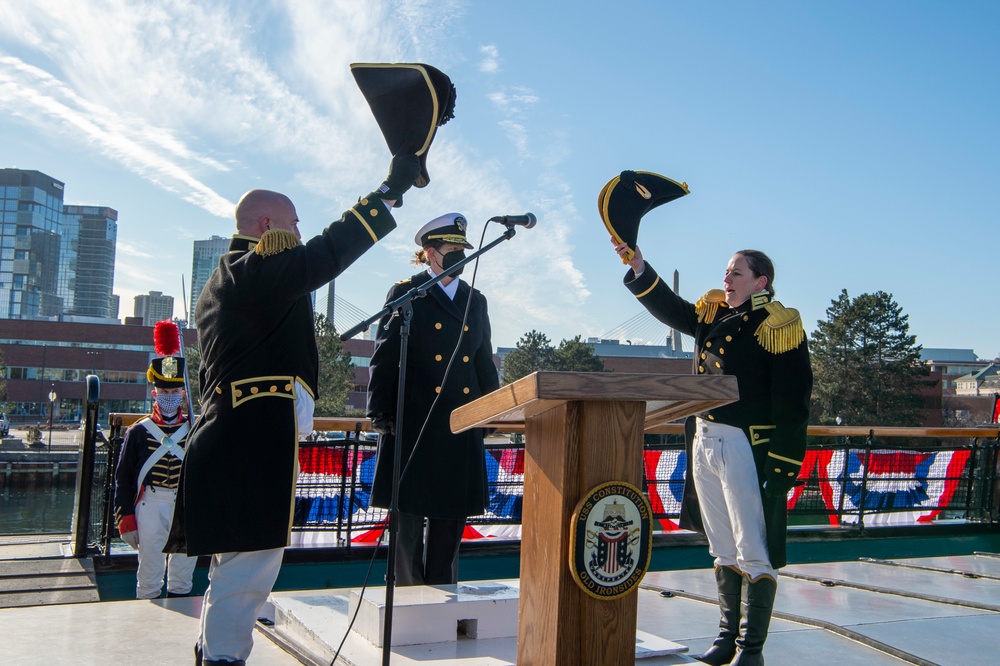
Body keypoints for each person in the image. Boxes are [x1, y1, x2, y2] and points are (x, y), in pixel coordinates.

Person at [165, 153, 422, 666]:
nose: (302, 231)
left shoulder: (242, 278)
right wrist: (386, 194)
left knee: (236, 566)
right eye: (294, 222)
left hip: (242, 438)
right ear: (267, 227)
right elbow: (322, 256)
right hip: (247, 443)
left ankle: (213, 653)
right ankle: (223, 660)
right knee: (248, 568)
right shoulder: (248, 271)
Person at [613, 241, 812, 666]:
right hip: (704, 439)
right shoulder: (712, 314)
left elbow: (793, 402)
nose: (726, 279)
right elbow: (669, 308)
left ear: (761, 281)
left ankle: (750, 649)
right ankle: (726, 639)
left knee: (752, 547)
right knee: (721, 546)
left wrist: (782, 465)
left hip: (744, 444)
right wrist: (639, 266)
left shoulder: (778, 325)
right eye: (726, 272)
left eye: (736, 273)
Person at [367, 212, 500, 586]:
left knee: (450, 517)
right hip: (415, 420)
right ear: (429, 252)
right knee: (407, 520)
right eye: (451, 249)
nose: (459, 255)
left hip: (459, 422)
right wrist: (380, 408)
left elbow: (482, 361)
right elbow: (385, 354)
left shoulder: (476, 300)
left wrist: (492, 411)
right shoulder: (408, 293)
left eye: (462, 249)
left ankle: (443, 592)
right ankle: (409, 594)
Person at [114, 320, 197, 599]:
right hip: (151, 505)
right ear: (155, 393)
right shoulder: (138, 431)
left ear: (183, 394)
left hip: (186, 504)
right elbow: (124, 476)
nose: (170, 397)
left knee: (182, 579)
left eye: (174, 392)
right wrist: (126, 518)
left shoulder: (195, 429)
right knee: (149, 577)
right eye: (164, 392)